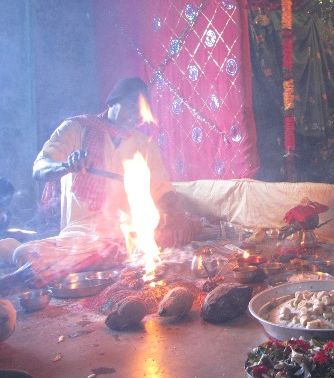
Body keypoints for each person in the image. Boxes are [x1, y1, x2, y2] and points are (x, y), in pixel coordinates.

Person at [8, 77, 201, 288]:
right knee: (25, 253)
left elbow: (163, 188)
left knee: (179, 232)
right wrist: (67, 166)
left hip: (126, 230)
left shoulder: (143, 144)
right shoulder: (76, 128)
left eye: (140, 109)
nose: (136, 114)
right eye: (130, 105)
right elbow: (39, 169)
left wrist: (178, 216)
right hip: (82, 231)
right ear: (112, 102)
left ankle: (28, 254)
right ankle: (14, 251)